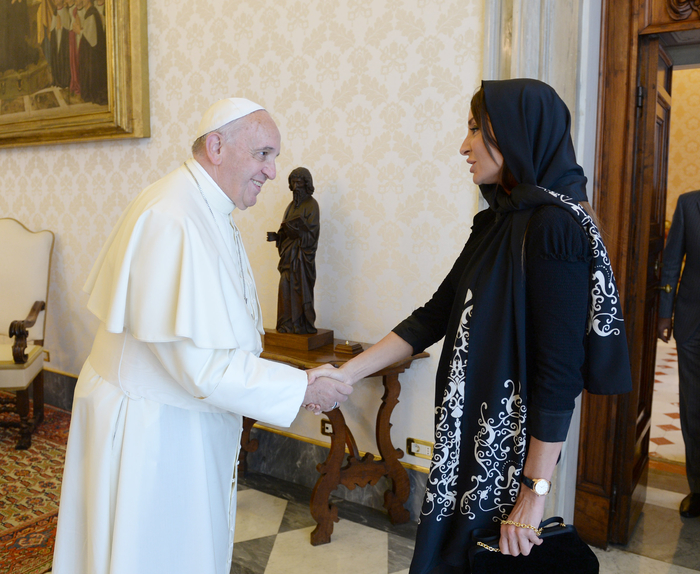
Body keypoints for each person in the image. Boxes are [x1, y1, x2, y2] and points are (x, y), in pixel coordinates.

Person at [309, 79, 632, 573]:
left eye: (477, 130)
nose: (464, 145)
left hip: (505, 459)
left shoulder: (554, 227)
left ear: (518, 134)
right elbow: (431, 317)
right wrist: (346, 374)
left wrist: (533, 496)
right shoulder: (498, 222)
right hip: (467, 439)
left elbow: (558, 375)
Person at [52, 98, 352, 574]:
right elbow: (201, 366)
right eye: (263, 155)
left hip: (173, 421)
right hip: (151, 433)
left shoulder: (202, 206)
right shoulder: (174, 217)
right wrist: (302, 386)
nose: (272, 171)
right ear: (217, 146)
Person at [657, 189, 700, 518]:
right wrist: (664, 314)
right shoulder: (689, 204)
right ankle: (697, 490)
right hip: (693, 325)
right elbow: (672, 262)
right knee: (693, 409)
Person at [267, 166, 320, 334]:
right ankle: (286, 324)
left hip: (302, 261)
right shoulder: (290, 207)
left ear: (306, 184)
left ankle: (300, 325)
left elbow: (312, 236)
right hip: (288, 259)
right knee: (284, 288)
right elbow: (285, 231)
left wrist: (299, 233)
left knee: (300, 291)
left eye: (299, 183)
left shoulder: (312, 205)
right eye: (293, 183)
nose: (296, 187)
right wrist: (277, 237)